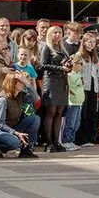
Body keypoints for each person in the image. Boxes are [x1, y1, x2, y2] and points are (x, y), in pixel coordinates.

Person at [0, 72, 39, 158]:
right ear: (13, 83)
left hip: (13, 127)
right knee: (15, 143)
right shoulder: (3, 100)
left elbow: (36, 99)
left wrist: (27, 83)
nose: (23, 83)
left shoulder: (20, 95)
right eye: (21, 81)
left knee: (35, 119)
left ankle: (26, 150)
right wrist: (16, 133)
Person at [38, 25, 69, 153]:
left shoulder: (62, 48)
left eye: (59, 32)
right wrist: (60, 68)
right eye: (55, 32)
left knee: (59, 113)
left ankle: (57, 141)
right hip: (51, 81)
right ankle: (49, 142)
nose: (57, 35)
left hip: (62, 81)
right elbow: (42, 65)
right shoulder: (47, 47)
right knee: (51, 112)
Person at [76, 31, 99, 147]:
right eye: (89, 42)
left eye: (93, 42)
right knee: (83, 113)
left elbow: (98, 74)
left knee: (92, 113)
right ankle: (81, 138)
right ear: (84, 43)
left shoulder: (95, 57)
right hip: (83, 86)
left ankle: (90, 136)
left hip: (94, 86)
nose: (92, 44)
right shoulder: (80, 55)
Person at [60, 56, 84, 151]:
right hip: (72, 102)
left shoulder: (78, 74)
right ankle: (66, 141)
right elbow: (68, 88)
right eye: (79, 64)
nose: (81, 66)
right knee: (70, 123)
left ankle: (71, 141)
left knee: (76, 123)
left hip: (79, 102)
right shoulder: (70, 75)